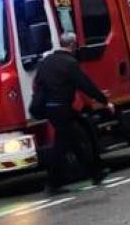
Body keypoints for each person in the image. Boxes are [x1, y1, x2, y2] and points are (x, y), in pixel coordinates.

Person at [31, 32, 111, 194]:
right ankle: (53, 184)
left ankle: (95, 174)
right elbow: (85, 85)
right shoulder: (69, 63)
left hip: (51, 109)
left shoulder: (46, 62)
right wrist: (104, 101)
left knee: (74, 141)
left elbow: (38, 85)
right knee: (62, 146)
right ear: (73, 45)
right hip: (63, 109)